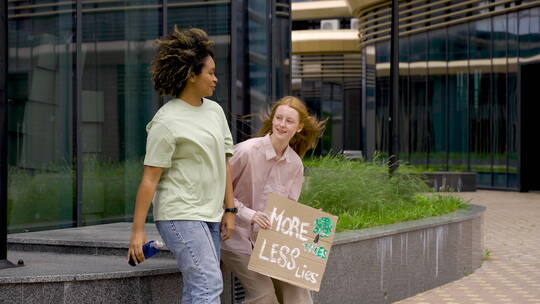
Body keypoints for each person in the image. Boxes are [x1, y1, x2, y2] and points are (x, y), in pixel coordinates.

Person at [127, 26, 236, 304]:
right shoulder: (166, 121)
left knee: (198, 286)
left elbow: (224, 161)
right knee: (209, 284)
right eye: (210, 72)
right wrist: (137, 232)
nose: (215, 78)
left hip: (210, 214)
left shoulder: (214, 111)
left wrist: (230, 209)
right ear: (191, 75)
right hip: (180, 213)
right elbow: (150, 179)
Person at [221, 96, 326, 304]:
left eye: (289, 121)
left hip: (270, 244)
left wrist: (310, 221)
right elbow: (218, 192)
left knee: (298, 290)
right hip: (235, 238)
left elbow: (287, 210)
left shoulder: (295, 165)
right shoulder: (246, 151)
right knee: (264, 296)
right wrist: (250, 215)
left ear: (298, 128)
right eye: (279, 118)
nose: (281, 124)